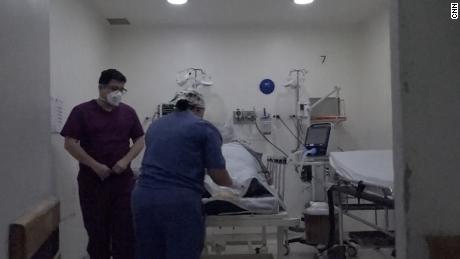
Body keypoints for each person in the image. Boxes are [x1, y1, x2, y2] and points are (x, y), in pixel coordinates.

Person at [132, 89, 233, 259]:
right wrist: (235, 188)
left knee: (148, 253)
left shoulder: (155, 125)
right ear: (200, 109)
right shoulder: (204, 128)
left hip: (142, 199)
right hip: (178, 202)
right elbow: (219, 176)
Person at [61, 69, 145, 259]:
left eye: (122, 90)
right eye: (114, 88)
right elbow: (70, 143)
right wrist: (95, 165)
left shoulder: (128, 113)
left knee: (125, 236)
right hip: (93, 185)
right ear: (101, 87)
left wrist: (125, 161)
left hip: (122, 184)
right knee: (98, 236)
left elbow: (140, 140)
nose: (118, 94)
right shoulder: (82, 111)